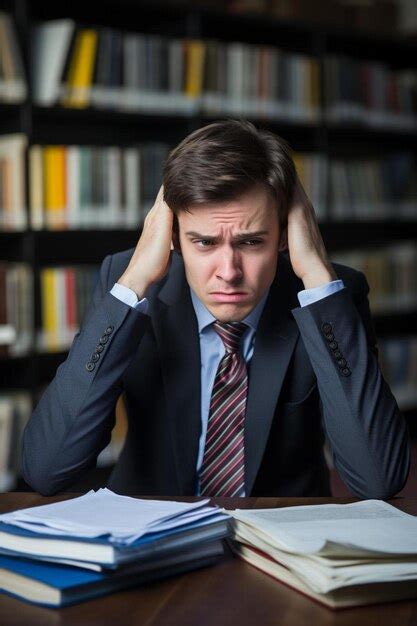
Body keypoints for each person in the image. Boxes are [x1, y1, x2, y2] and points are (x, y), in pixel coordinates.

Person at [22, 119, 410, 498]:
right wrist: (134, 281)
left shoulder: (329, 296)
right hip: (151, 542)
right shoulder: (131, 286)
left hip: (276, 548)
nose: (228, 272)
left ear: (286, 233)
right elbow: (47, 469)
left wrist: (317, 277)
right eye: (205, 243)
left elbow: (379, 480)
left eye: (252, 242)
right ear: (172, 235)